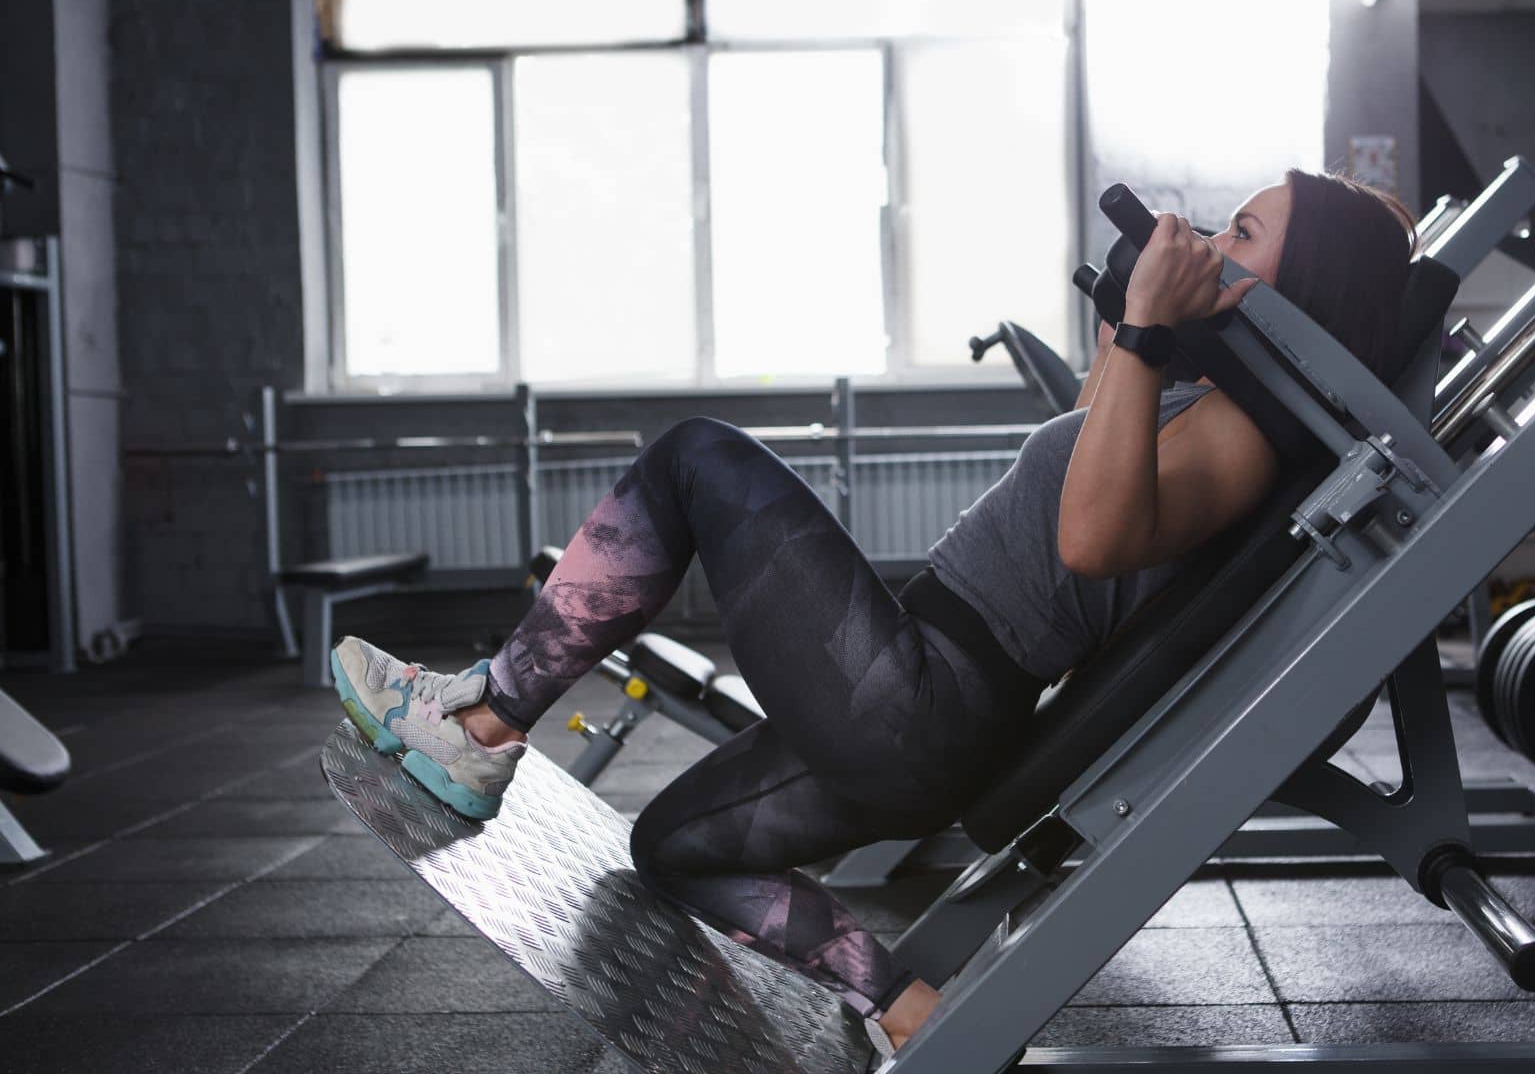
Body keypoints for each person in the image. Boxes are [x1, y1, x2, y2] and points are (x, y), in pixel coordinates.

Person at [330, 170, 1415, 1048]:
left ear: (1298, 288)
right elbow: (1092, 453)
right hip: (927, 724)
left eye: (1246, 230)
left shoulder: (1246, 438)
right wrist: (1131, 336)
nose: (1216, 238)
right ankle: (900, 1002)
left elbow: (1087, 540)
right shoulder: (1215, 403)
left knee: (695, 460)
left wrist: (1142, 335)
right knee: (675, 847)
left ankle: (485, 719)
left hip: (924, 691)